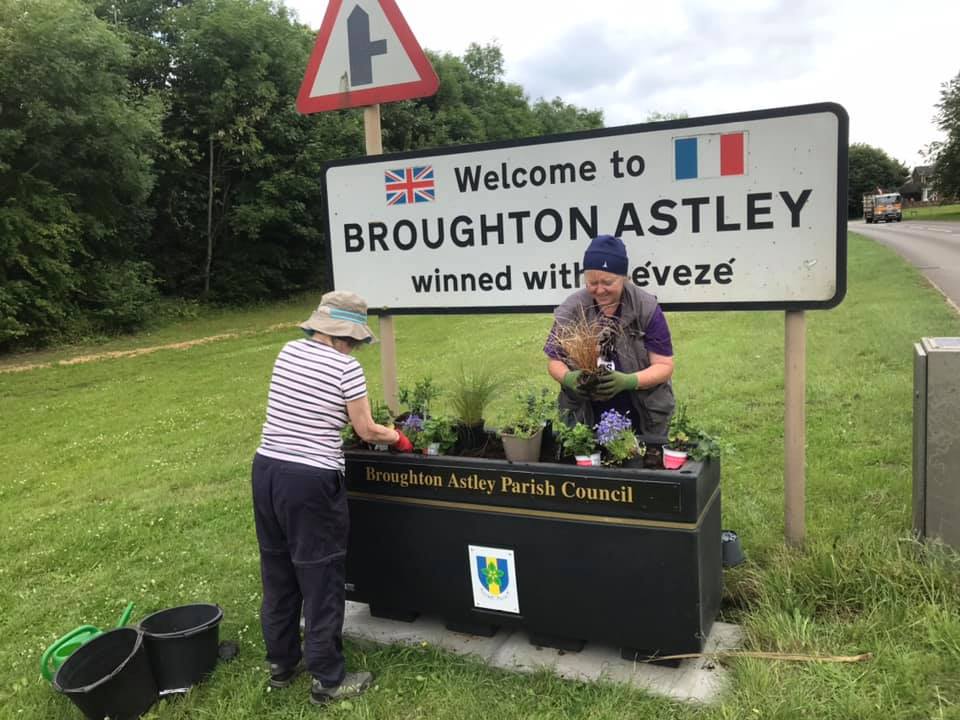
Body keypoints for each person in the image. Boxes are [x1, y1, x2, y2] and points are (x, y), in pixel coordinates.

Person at [252, 291, 413, 705]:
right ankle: (328, 678)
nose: (357, 346)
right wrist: (398, 438)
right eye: (357, 340)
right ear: (348, 336)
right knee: (320, 574)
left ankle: (282, 663)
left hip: (267, 469)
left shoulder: (288, 352)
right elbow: (365, 430)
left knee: (278, 568)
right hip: (309, 481)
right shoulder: (347, 368)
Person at [544, 234, 675, 438]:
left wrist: (629, 381)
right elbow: (554, 360)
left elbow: (664, 366)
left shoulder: (646, 307)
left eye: (607, 282)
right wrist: (569, 378)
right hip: (585, 414)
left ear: (624, 278)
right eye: (592, 282)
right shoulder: (572, 308)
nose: (599, 289)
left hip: (641, 413)